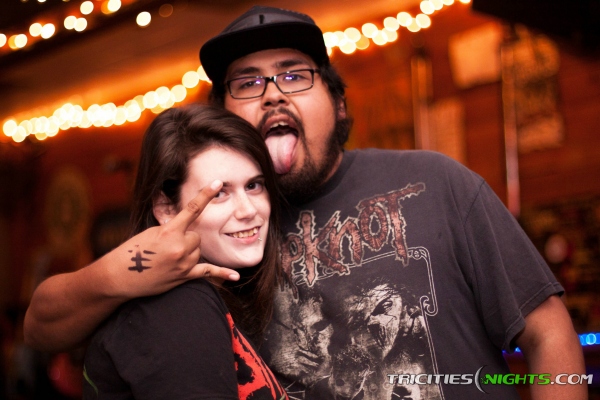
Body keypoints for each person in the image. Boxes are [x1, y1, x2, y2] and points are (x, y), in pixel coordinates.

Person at [24, 5, 586, 399]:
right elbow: (44, 325)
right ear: (225, 120)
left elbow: (547, 332)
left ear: (338, 104)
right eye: (247, 83)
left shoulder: (436, 182)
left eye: (295, 75)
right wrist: (130, 269)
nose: (272, 93)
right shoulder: (219, 232)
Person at [82, 103, 288, 399]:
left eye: (254, 185)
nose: (248, 210)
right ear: (167, 209)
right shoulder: (177, 308)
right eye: (220, 193)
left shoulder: (216, 297)